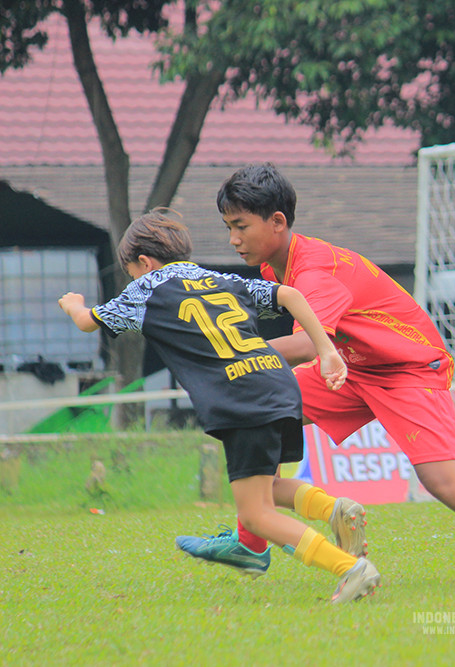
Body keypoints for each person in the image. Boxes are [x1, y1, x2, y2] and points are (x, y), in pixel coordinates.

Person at [179, 163, 455, 588]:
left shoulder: (314, 272)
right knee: (258, 409)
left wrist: (229, 357)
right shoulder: (275, 267)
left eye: (241, 226)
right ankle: (252, 542)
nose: (233, 239)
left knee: (443, 481)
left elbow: (307, 345)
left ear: (277, 222)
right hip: (354, 366)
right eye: (228, 227)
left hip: (407, 368)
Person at [58, 209, 381, 603]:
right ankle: (335, 510)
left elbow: (87, 321)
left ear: (144, 262)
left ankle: (350, 569)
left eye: (132, 272)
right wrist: (327, 351)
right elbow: (291, 295)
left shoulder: (146, 290)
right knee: (266, 487)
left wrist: (73, 303)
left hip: (241, 399)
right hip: (278, 383)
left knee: (255, 515)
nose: (133, 280)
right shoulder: (220, 279)